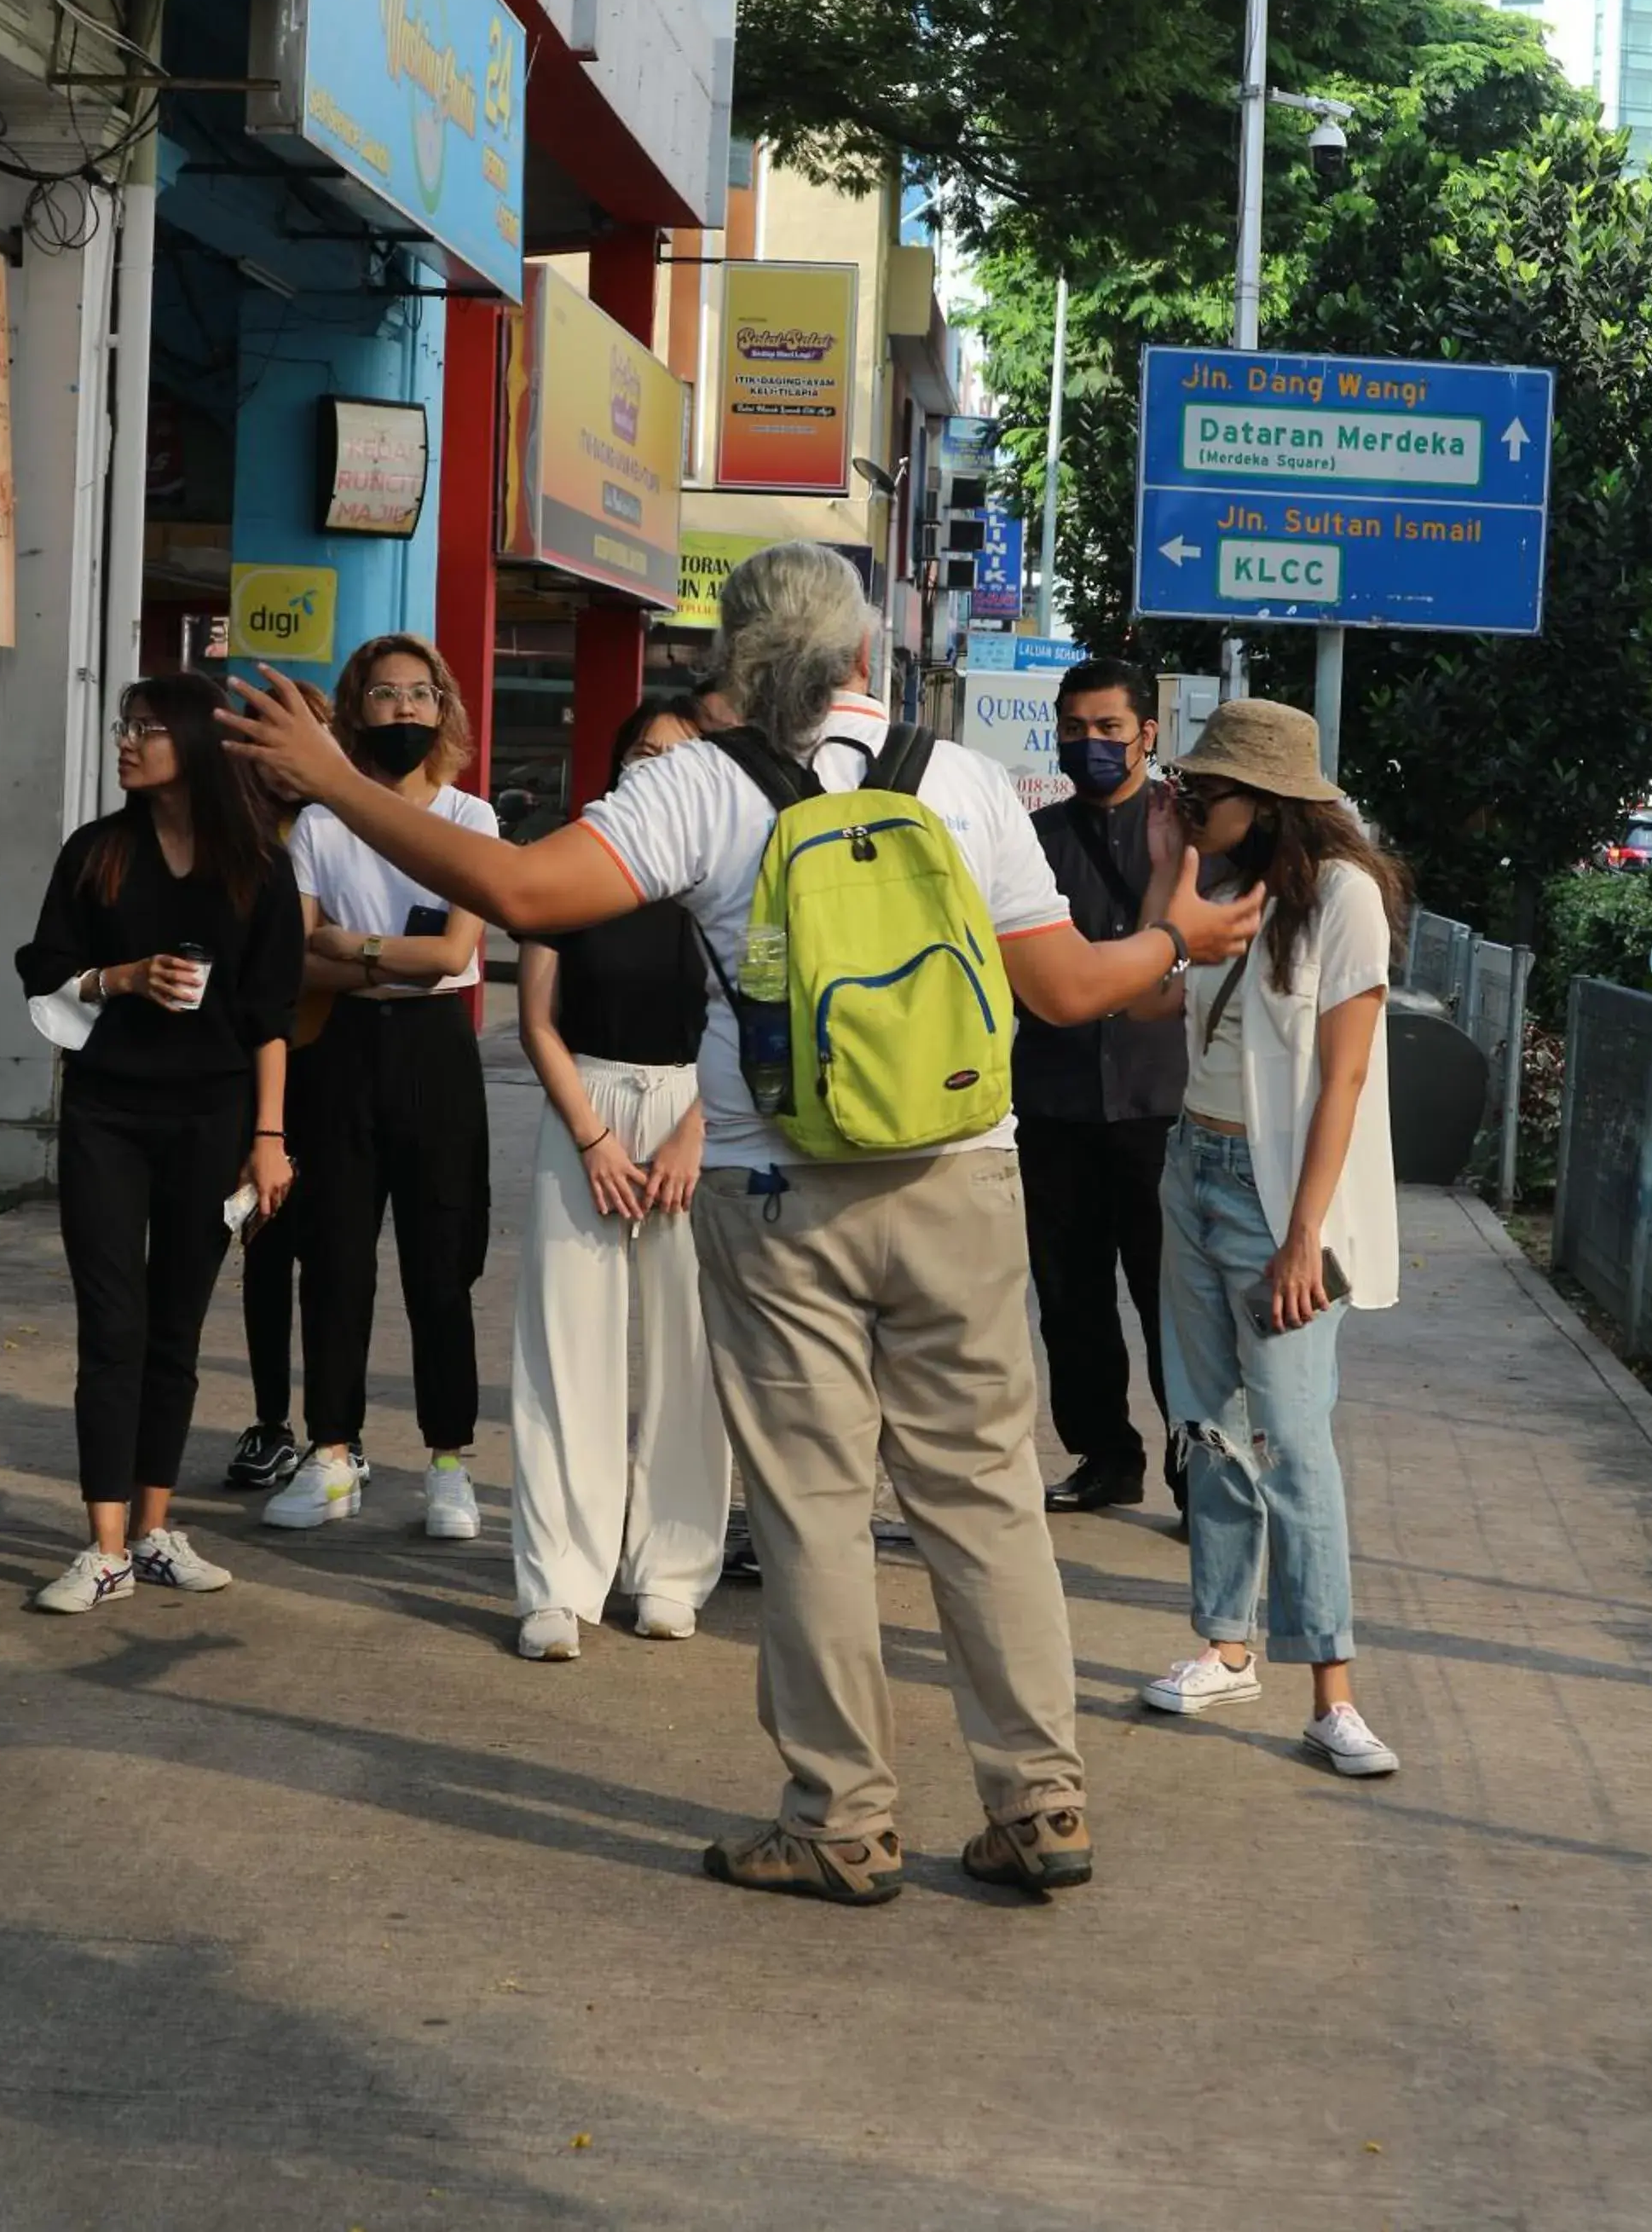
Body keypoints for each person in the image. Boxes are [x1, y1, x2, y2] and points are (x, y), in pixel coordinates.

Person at [220, 542, 1262, 1905]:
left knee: (816, 1507)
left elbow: (520, 896)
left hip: (774, 1187)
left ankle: (842, 1822)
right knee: (988, 1493)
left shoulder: (695, 788)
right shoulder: (960, 784)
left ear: (735, 667)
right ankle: (1040, 1803)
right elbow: (1068, 990)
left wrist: (339, 786)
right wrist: (1177, 940)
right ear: (862, 657)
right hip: (962, 1177)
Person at [1130, 699, 1407, 1776]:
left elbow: (1343, 1076)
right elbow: (1149, 998)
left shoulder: (1344, 898)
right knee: (1205, 1426)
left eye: (1204, 795)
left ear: (1271, 801)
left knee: (1293, 1439)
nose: (1188, 805)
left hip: (1275, 1195)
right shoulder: (1227, 888)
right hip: (1189, 1170)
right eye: (1186, 794)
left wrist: (1303, 1236)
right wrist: (1171, 866)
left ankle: (1331, 1693)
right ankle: (1224, 1643)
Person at [16, 675, 303, 1612]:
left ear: (195, 742)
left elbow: (269, 1017)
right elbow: (47, 973)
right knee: (114, 1325)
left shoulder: (255, 863)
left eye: (146, 728)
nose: (127, 742)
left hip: (213, 1117)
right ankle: (102, 1549)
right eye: (123, 727)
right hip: (106, 1112)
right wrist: (120, 977)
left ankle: (152, 1529)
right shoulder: (97, 853)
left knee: (176, 1326)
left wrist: (269, 1140)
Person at [260, 635, 496, 1540]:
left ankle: (447, 1464)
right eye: (383, 694)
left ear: (444, 710)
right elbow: (297, 955)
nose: (402, 710)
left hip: (437, 1055)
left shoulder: (470, 821)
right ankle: (331, 1454)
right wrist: (381, 962)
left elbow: (452, 955)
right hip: (341, 1055)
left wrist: (347, 948)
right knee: (334, 1260)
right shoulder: (322, 823)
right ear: (353, 709)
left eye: (419, 694)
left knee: (442, 1263)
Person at [511, 698, 731, 1660]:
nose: (656, 767)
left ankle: (673, 1569)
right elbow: (535, 1019)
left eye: (677, 755)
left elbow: (750, 1017)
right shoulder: (570, 858)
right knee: (566, 1347)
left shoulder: (728, 872)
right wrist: (594, 1137)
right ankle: (559, 1581)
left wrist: (692, 1131)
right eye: (640, 751)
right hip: (583, 1103)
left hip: (699, 1105)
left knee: (690, 1351)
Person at [1014, 659, 1188, 1520]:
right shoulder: (1031, 841)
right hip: (1052, 1104)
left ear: (1145, 734)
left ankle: (1199, 1481)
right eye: (1074, 729)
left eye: (1108, 729)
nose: (1091, 744)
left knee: (1174, 1307)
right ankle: (1103, 1457)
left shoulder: (1189, 839)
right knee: (1069, 1297)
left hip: (1162, 1108)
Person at [223, 681, 344, 1492]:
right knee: (263, 1253)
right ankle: (271, 1422)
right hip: (251, 1074)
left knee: (334, 1262)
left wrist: (331, 950)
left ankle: (339, 1433)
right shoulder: (229, 846)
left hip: (336, 1062)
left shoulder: (345, 829)